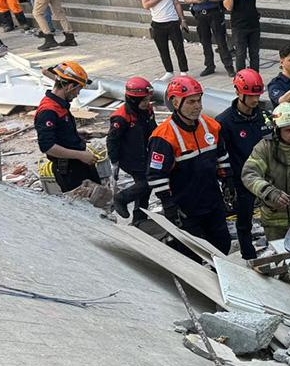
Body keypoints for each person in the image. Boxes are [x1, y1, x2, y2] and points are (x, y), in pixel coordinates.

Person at [147, 75, 234, 254]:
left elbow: (221, 156)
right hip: (185, 208)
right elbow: (156, 176)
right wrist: (168, 204)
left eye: (199, 100)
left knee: (222, 246)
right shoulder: (163, 137)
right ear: (175, 102)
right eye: (191, 102)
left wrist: (228, 180)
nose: (198, 106)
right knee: (192, 252)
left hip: (212, 202)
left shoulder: (211, 126)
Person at [242, 102, 290, 246]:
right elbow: (249, 174)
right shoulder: (265, 148)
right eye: (289, 130)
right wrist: (269, 192)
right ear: (277, 130)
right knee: (282, 260)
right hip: (275, 221)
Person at [216, 69, 272, 260]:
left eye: (257, 95)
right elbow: (220, 155)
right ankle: (248, 253)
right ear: (239, 93)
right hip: (242, 180)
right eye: (251, 96)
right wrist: (228, 181)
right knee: (244, 220)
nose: (255, 100)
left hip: (267, 176)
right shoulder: (224, 122)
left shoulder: (264, 117)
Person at [34, 61, 98, 194]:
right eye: (77, 90)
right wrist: (81, 155)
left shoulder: (59, 105)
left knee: (100, 198)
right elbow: (47, 147)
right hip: (70, 170)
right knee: (85, 207)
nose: (77, 95)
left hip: (78, 164)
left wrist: (75, 134)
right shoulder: (48, 111)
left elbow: (59, 132)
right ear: (69, 87)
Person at [108, 76, 156, 222]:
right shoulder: (121, 118)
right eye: (144, 100)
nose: (148, 103)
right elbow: (112, 140)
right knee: (150, 181)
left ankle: (139, 219)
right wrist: (114, 162)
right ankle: (122, 198)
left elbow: (153, 129)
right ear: (134, 100)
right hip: (130, 158)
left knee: (145, 190)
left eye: (148, 100)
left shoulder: (147, 110)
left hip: (144, 153)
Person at [183, 0, 232, 77]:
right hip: (200, 14)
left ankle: (229, 66)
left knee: (220, 40)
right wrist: (194, 1)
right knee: (205, 41)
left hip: (213, 12)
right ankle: (209, 66)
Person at [139, 0, 189, 76]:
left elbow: (177, 3)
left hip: (172, 21)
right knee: (163, 49)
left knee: (179, 47)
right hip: (157, 23)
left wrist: (182, 19)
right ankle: (169, 71)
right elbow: (146, 5)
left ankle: (183, 71)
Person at [224, 0, 265, 72]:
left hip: (253, 24)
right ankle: (241, 77)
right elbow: (228, 7)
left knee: (254, 53)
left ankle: (255, 75)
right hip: (239, 26)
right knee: (240, 53)